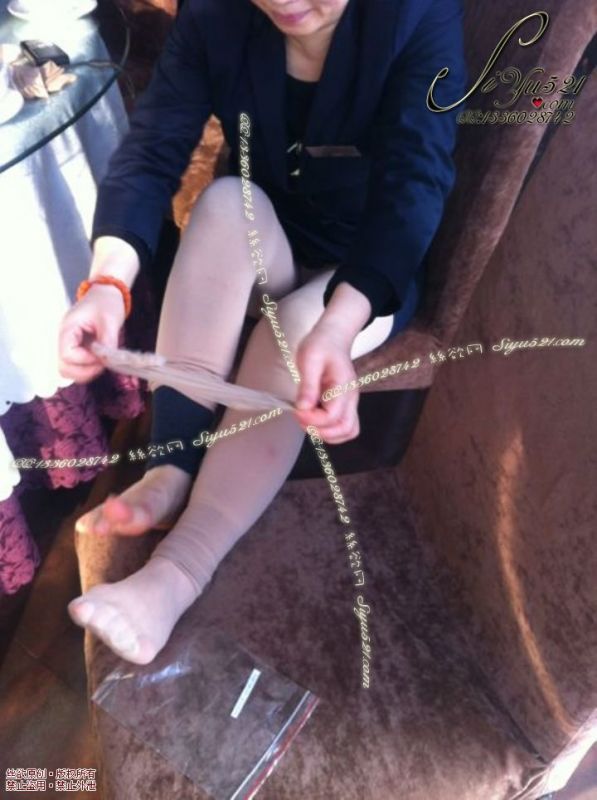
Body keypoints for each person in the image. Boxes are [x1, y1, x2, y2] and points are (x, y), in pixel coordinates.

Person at [57, 0, 466, 664]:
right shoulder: (213, 14)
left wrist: (340, 324)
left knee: (301, 326)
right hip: (270, 229)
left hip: (367, 266)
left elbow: (414, 185)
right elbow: (154, 147)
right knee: (225, 204)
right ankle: (172, 465)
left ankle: (178, 573)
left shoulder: (417, 14)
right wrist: (107, 284)